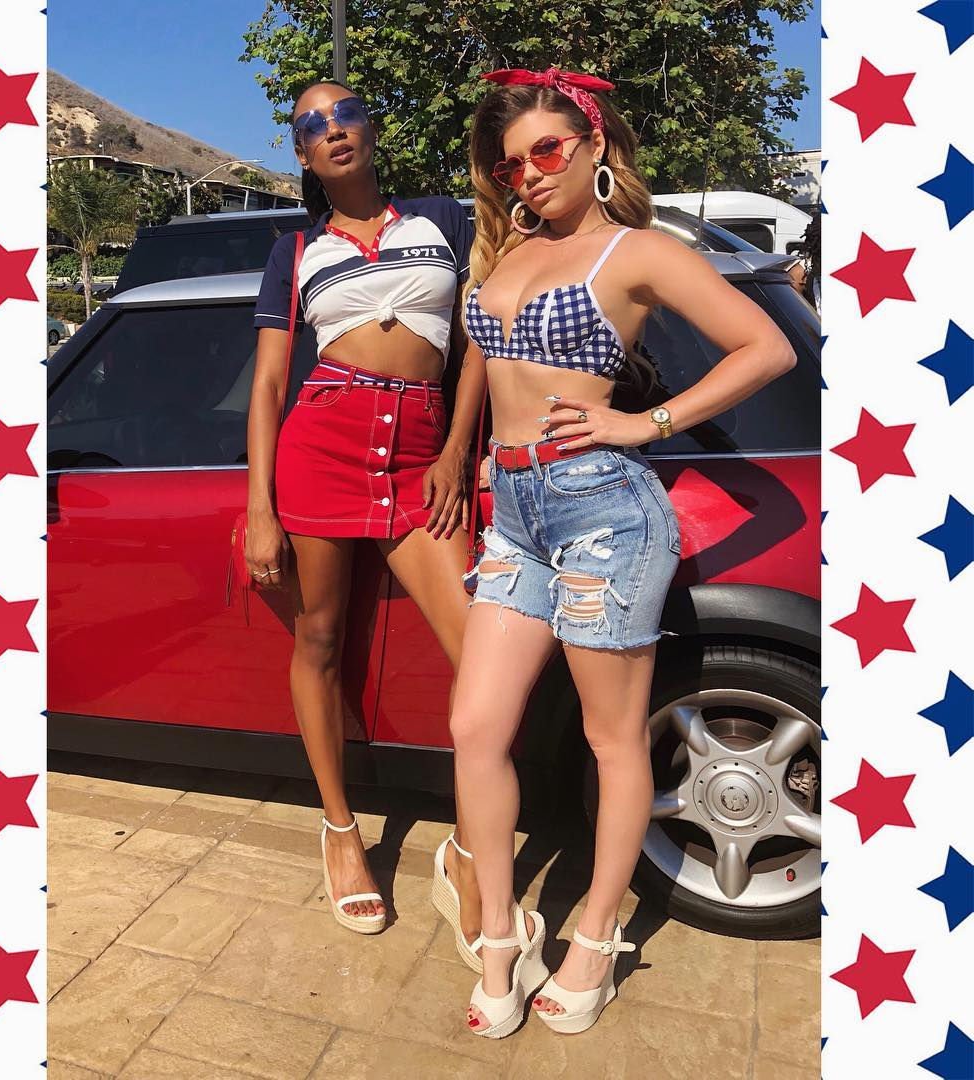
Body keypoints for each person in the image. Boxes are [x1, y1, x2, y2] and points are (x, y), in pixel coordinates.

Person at [451, 65, 797, 1038]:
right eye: (511, 163)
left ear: (595, 145)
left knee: (611, 739)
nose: (529, 173)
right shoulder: (514, 247)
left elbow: (764, 349)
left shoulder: (634, 251)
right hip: (515, 513)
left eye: (547, 149)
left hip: (601, 509)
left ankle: (597, 938)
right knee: (475, 728)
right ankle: (500, 935)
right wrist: (470, 455)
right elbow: (489, 362)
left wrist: (648, 424)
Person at [245, 80, 486, 948]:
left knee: (483, 656)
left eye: (346, 113)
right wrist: (260, 505)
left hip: (423, 459)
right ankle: (341, 831)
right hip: (321, 448)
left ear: (371, 129)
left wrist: (456, 452)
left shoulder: (445, 221)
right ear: (302, 154)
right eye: (313, 124)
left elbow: (480, 341)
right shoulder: (294, 251)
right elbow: (270, 384)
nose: (333, 129)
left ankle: (469, 848)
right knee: (319, 637)